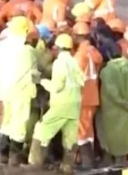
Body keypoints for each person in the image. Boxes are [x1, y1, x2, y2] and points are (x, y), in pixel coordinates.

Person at [29, 34, 85, 173]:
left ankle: (35, 164)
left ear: (58, 48)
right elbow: (82, 81)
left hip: (61, 104)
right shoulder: (74, 61)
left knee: (42, 129)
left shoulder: (59, 63)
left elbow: (56, 87)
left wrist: (41, 81)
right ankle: (67, 167)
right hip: (75, 104)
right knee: (70, 137)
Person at [0, 16, 39, 167]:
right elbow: (34, 73)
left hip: (5, 91)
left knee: (6, 123)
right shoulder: (28, 51)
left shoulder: (1, 46)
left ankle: (2, 155)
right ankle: (14, 158)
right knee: (19, 125)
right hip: (21, 93)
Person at [96, 42, 128, 163]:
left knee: (114, 137)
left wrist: (122, 102)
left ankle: (117, 163)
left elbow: (111, 92)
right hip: (127, 109)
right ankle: (126, 160)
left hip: (112, 111)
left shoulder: (106, 71)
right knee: (127, 133)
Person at [72, 22, 103, 168]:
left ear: (77, 36)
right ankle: (88, 159)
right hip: (93, 96)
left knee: (82, 130)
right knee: (89, 129)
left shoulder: (79, 56)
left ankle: (86, 162)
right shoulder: (94, 51)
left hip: (83, 98)